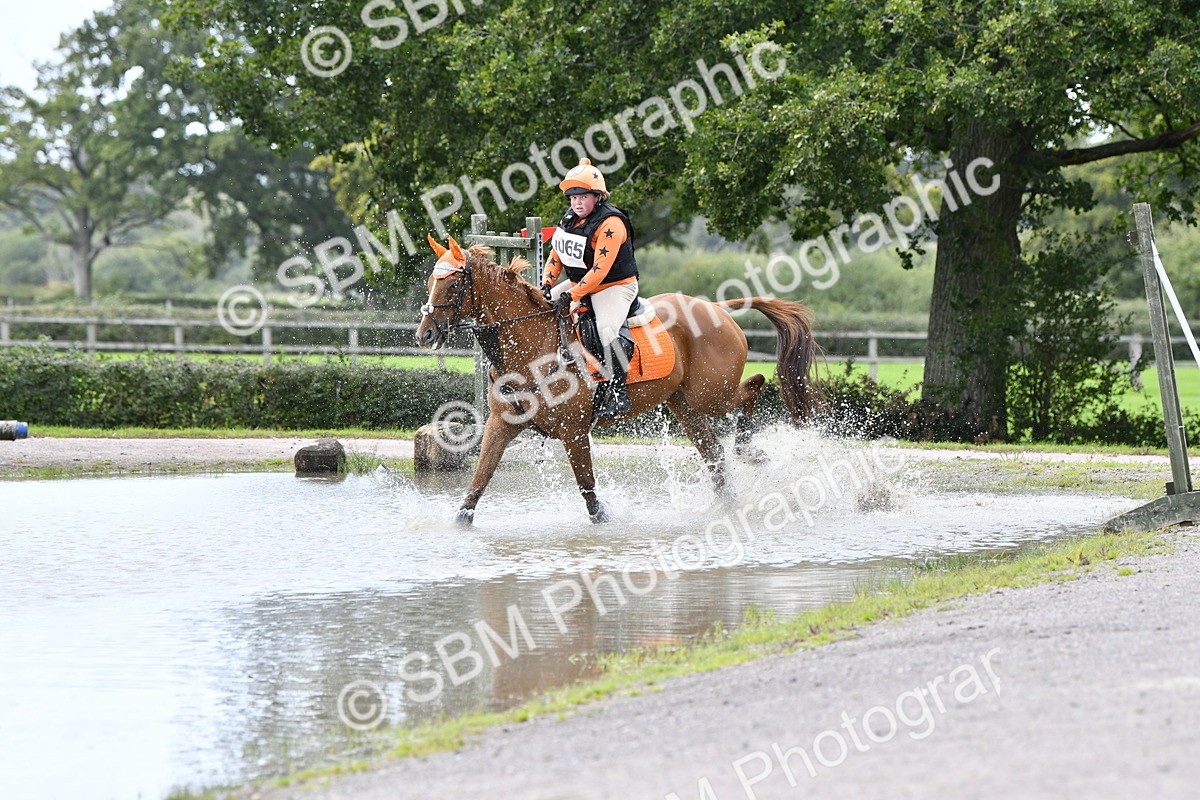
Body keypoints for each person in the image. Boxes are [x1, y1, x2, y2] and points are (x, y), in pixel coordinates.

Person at [541, 157, 640, 419]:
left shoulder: (611, 223)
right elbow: (556, 255)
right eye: (573, 197)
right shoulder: (570, 219)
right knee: (540, 310)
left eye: (583, 196)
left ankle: (618, 394)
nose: (577, 203)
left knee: (607, 330)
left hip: (614, 286)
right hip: (580, 283)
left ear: (597, 196)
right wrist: (546, 284)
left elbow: (600, 270)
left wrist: (571, 295)